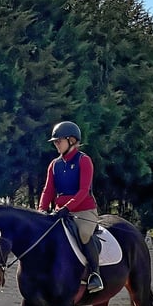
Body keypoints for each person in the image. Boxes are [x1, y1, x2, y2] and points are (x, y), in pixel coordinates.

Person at [38, 121, 104, 293]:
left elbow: (83, 191)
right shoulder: (54, 165)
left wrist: (67, 208)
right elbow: (48, 191)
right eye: (55, 141)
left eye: (59, 141)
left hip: (84, 210)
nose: (56, 144)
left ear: (72, 140)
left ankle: (95, 275)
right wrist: (41, 211)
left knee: (83, 234)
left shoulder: (84, 161)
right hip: (61, 212)